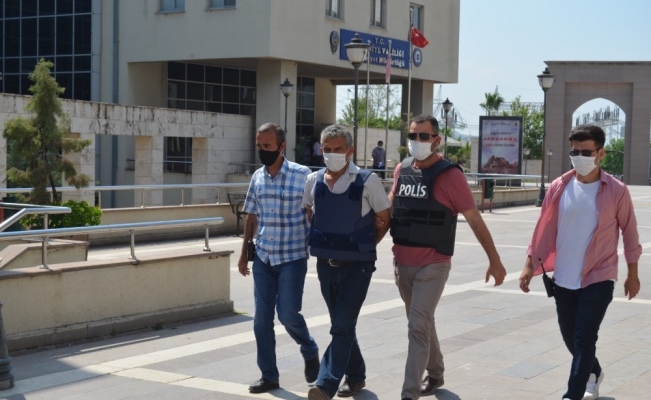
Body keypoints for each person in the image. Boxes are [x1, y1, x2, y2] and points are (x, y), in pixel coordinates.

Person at [388, 115, 507, 400]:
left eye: (424, 136)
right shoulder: (402, 169)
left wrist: (494, 259)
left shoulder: (450, 176)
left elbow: (474, 219)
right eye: (413, 136)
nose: (417, 141)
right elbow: (390, 209)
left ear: (437, 140)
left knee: (417, 324)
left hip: (433, 263)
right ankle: (436, 373)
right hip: (402, 262)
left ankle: (409, 393)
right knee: (422, 321)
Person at [519, 124, 641, 400]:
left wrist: (632, 274)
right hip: (564, 277)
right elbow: (542, 230)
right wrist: (529, 264)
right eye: (575, 152)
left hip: (599, 276)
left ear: (601, 154)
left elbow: (630, 233)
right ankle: (594, 372)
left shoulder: (617, 191)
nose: (579, 157)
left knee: (584, 337)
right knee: (570, 338)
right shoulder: (559, 186)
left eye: (586, 152)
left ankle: (572, 395)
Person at [303, 125, 391, 400]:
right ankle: (356, 376)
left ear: (350, 151)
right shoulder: (313, 180)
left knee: (341, 325)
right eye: (327, 149)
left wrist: (362, 247)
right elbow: (310, 213)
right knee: (343, 324)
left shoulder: (368, 180)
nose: (332, 154)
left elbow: (384, 217)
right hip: (325, 265)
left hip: (357, 268)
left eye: (338, 149)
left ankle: (325, 384)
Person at [238, 122, 320, 394]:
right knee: (261, 321)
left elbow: (314, 213)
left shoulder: (303, 175)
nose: (262, 150)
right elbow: (251, 215)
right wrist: (243, 254)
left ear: (282, 146)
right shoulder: (257, 177)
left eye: (268, 146)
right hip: (263, 257)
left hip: (292, 257)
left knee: (288, 314)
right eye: (259, 146)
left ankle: (309, 348)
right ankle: (269, 375)